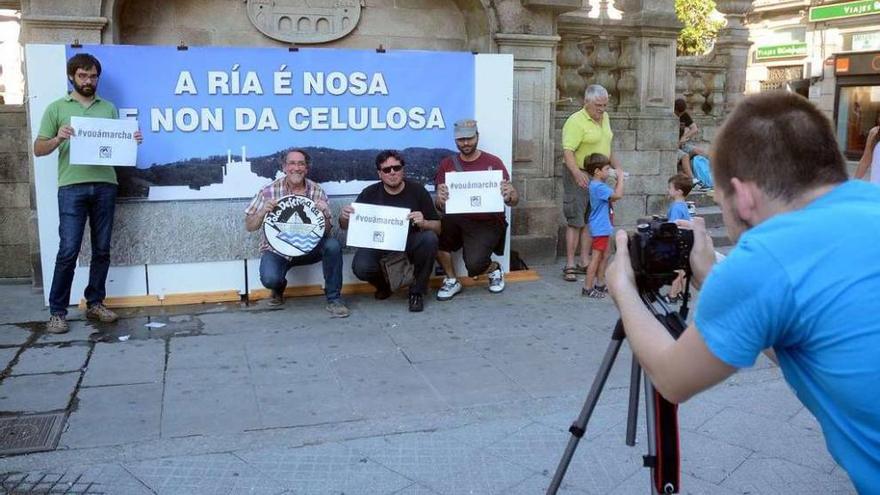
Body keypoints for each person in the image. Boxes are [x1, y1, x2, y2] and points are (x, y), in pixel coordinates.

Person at [606, 92, 880, 491]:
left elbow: (672, 378)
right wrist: (712, 277)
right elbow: (805, 338)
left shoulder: (767, 259)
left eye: (720, 200)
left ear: (744, 195)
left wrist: (623, 287)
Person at [33, 53, 143, 334]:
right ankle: (57, 312)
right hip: (72, 187)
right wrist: (58, 137)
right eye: (82, 75)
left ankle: (95, 302)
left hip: (105, 184)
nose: (88, 80)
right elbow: (39, 148)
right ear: (72, 76)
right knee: (68, 250)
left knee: (102, 249)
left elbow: (115, 146)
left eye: (93, 76)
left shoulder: (108, 109)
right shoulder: (57, 108)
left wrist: (130, 141)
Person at [244, 149, 350, 318]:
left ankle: (334, 299)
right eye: (292, 163)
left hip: (309, 247)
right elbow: (250, 226)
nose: (296, 168)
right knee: (270, 279)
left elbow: (328, 231)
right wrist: (263, 211)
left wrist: (325, 214)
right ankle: (278, 288)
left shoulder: (317, 191)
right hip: (277, 249)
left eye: (301, 164)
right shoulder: (268, 191)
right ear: (284, 167)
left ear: (306, 168)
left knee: (333, 245)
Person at [340, 150, 440, 312]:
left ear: (403, 170)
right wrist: (344, 217)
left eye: (396, 168)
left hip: (409, 242)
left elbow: (438, 227)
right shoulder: (369, 193)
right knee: (361, 266)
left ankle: (417, 292)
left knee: (429, 239)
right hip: (378, 244)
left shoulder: (418, 191)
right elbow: (345, 226)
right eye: (387, 170)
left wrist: (425, 222)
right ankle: (384, 286)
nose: (392, 172)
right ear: (380, 174)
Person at [433, 119, 519, 300]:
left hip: (486, 222)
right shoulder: (447, 164)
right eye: (460, 139)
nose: (465, 143)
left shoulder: (493, 162)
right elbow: (439, 205)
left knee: (474, 266)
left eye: (469, 138)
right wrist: (439, 200)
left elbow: (513, 201)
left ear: (477, 137)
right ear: (455, 140)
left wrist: (510, 194)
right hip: (456, 219)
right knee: (432, 236)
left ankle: (494, 269)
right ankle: (451, 279)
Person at [561, 84, 622, 282]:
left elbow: (608, 146)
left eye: (605, 105)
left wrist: (617, 169)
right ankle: (570, 263)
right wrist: (577, 173)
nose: (602, 109)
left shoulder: (605, 118)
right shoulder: (575, 121)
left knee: (591, 219)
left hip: (598, 175)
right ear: (586, 102)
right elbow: (568, 151)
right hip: (578, 172)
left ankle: (584, 260)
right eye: (598, 105)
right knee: (575, 219)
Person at [582, 154, 624, 299]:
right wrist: (621, 179)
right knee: (596, 257)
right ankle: (587, 287)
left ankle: (600, 283)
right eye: (606, 169)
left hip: (603, 226)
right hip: (600, 227)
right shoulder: (598, 186)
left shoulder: (598, 185)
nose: (609, 171)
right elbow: (618, 196)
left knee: (605, 255)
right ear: (597, 171)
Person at [664, 173, 693, 303]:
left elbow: (673, 225)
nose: (668, 190)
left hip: (678, 240)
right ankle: (684, 292)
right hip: (685, 239)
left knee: (676, 269)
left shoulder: (676, 206)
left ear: (679, 191)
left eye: (670, 188)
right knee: (683, 268)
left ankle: (672, 295)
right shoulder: (683, 204)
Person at [673, 98, 708, 184]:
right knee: (685, 156)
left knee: (699, 151)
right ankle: (693, 180)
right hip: (673, 145)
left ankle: (711, 174)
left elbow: (694, 129)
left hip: (682, 143)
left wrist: (684, 137)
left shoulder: (684, 115)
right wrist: (678, 143)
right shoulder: (670, 116)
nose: (680, 115)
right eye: (678, 113)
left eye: (681, 113)